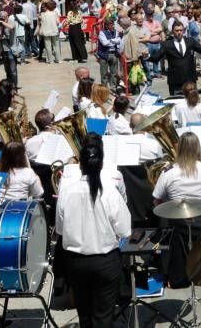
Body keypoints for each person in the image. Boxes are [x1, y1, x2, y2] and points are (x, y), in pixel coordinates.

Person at [55, 136, 132, 327]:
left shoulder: (66, 192)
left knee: (85, 315)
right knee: (104, 317)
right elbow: (124, 230)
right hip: (105, 262)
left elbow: (60, 229)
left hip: (75, 262)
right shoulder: (110, 192)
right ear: (101, 164)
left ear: (79, 165)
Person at [148, 20, 201, 95]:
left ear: (184, 31)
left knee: (192, 102)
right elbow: (157, 57)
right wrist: (146, 56)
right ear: (172, 31)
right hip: (175, 81)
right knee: (176, 102)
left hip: (190, 79)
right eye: (177, 30)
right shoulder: (167, 44)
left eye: (181, 30)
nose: (179, 32)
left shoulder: (190, 41)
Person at [152, 132, 201, 203]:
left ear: (179, 148)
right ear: (198, 147)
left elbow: (157, 199)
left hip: (177, 212)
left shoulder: (168, 172)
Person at [0, 141, 45, 206]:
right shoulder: (29, 172)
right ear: (22, 156)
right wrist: (37, 178)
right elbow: (38, 193)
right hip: (20, 209)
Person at [96, 17, 122, 91]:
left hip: (114, 54)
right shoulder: (102, 33)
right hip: (104, 55)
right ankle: (104, 88)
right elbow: (105, 43)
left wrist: (111, 40)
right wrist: (114, 41)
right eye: (111, 25)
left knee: (114, 72)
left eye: (113, 24)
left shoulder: (115, 32)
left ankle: (113, 87)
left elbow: (119, 40)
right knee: (104, 73)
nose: (112, 26)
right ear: (107, 25)